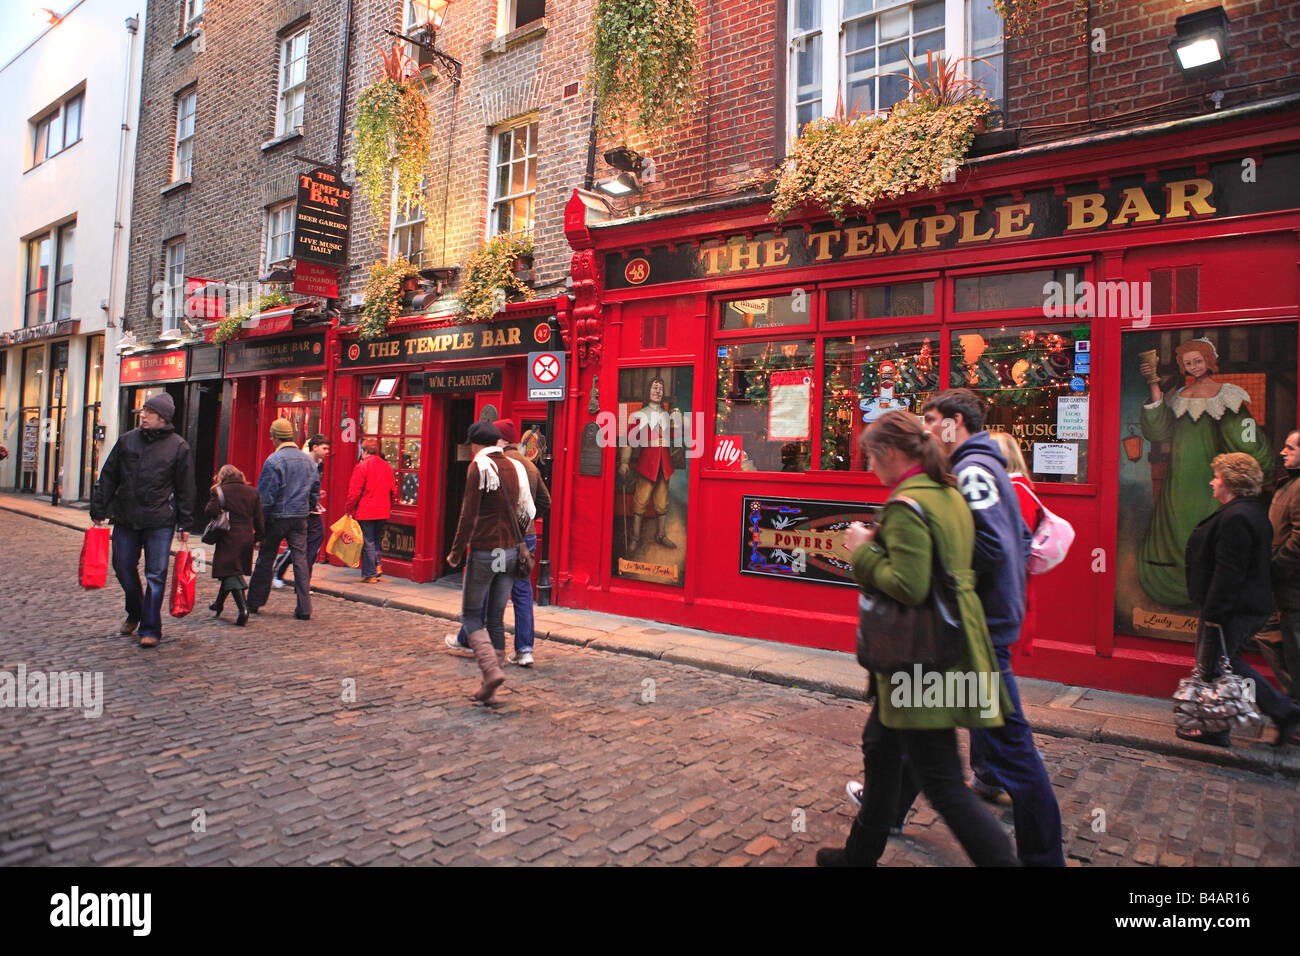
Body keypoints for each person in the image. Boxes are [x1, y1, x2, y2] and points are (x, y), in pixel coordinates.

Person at [816, 411, 1016, 867]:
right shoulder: (947, 492)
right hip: (951, 645)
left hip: (922, 660)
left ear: (889, 453)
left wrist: (863, 550)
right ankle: (857, 854)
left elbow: (907, 585)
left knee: (942, 781)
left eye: (869, 457)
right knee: (881, 751)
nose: (869, 469)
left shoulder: (907, 504)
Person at [920, 388, 1065, 866]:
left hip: (979, 633)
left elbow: (992, 548)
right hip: (977, 627)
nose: (927, 430)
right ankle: (880, 815)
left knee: (1014, 757)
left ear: (955, 422)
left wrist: (941, 569)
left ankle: (1043, 859)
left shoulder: (974, 471)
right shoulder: (988, 468)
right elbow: (1019, 541)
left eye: (932, 420)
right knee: (911, 721)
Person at [1138, 338, 1272, 608]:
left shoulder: (1226, 395)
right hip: (1179, 480)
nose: (1194, 367)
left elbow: (1244, 437)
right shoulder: (1179, 397)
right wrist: (1153, 383)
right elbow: (1159, 431)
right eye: (1188, 363)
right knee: (1176, 525)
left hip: (1209, 478)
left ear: (1210, 361)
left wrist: (1250, 467)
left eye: (1198, 361)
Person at [1182, 453, 1300, 747]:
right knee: (1225, 664)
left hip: (1232, 608)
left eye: (1217, 477)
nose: (1213, 482)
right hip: (1243, 605)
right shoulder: (1248, 511)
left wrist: (1214, 613)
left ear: (1231, 482)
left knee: (1214, 667)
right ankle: (1282, 712)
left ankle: (1218, 728)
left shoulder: (1237, 517)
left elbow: (1229, 571)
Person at [89, 393, 195, 649]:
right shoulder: (127, 441)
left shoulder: (179, 447)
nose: (143, 416)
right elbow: (109, 475)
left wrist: (185, 523)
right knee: (123, 567)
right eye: (143, 411)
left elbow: (186, 488)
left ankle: (150, 628)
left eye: (148, 412)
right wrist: (99, 508)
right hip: (126, 517)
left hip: (160, 520)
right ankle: (135, 610)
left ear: (162, 417)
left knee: (156, 575)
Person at [445, 419, 551, 666]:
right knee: (518, 596)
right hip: (522, 540)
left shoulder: (485, 465)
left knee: (480, 600)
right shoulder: (527, 467)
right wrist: (523, 527)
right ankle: (523, 650)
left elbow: (468, 514)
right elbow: (541, 504)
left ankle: (478, 650)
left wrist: (457, 552)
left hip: (494, 543)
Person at [245, 418, 319, 620]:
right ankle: (304, 608)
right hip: (300, 517)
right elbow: (314, 493)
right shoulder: (309, 462)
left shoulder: (273, 461)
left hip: (277, 518)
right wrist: (307, 508)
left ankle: (254, 601)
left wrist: (259, 525)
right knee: (300, 562)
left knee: (265, 559)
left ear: (275, 438)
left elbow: (266, 497)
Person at [990, 431, 1041, 665]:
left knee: (997, 663)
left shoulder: (1015, 492)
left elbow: (1010, 546)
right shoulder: (1016, 488)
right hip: (1007, 589)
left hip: (1004, 590)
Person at [618, 377, 680, 553]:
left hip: (664, 465)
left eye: (661, 388)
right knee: (640, 501)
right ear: (648, 391)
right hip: (647, 464)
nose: (658, 391)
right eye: (655, 388)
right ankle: (635, 539)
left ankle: (660, 535)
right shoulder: (640, 415)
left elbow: (674, 439)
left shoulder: (667, 415)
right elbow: (629, 440)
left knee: (662, 502)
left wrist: (679, 424)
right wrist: (624, 462)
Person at [205, 465, 264, 627]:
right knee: (231, 570)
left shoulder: (219, 491)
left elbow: (210, 510)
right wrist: (259, 537)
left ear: (222, 476)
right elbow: (259, 518)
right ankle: (218, 604)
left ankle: (243, 610)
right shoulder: (253, 492)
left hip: (228, 537)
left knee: (231, 572)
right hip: (246, 536)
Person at [1266, 429, 1300, 700]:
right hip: (1282, 585)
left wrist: (1274, 568)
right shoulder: (1289, 483)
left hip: (1291, 586)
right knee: (1273, 636)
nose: (1283, 452)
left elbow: (1299, 540)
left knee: (1294, 647)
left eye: (1291, 448)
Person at [273, 434, 330, 590]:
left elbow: (314, 486)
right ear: (314, 447)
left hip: (313, 509)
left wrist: (317, 495)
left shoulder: (320, 464)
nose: (327, 452)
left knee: (313, 547)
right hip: (300, 510)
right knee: (297, 546)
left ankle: (304, 584)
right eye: (324, 448)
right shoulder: (302, 462)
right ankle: (279, 571)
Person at [345, 438, 396, 584]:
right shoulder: (387, 467)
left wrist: (349, 509)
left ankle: (370, 574)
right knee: (376, 539)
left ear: (364, 451)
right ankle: (378, 566)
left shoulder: (362, 466)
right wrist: (388, 505)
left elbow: (354, 492)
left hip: (366, 510)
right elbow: (394, 490)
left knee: (367, 540)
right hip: (383, 510)